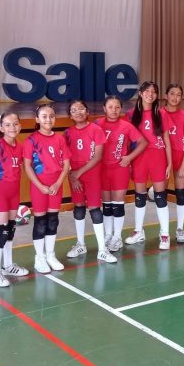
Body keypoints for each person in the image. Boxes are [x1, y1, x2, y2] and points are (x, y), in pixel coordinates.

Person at [64, 101, 115, 263]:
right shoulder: (67, 133)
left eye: (81, 109)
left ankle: (102, 249)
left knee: (94, 209)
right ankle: (81, 244)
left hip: (91, 174)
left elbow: (98, 156)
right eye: (74, 110)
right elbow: (64, 158)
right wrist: (73, 176)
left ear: (87, 112)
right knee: (79, 208)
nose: (78, 112)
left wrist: (77, 174)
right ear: (70, 115)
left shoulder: (95, 129)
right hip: (75, 176)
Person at [125, 81, 173, 250]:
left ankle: (165, 234)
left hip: (157, 156)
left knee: (160, 196)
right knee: (140, 196)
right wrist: (128, 160)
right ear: (140, 93)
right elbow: (127, 140)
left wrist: (169, 163)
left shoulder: (161, 113)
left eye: (153, 91)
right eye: (147, 91)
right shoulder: (131, 114)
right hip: (139, 157)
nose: (150, 94)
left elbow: (166, 139)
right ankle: (138, 231)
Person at [23, 104, 71, 274]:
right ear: (37, 119)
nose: (48, 119)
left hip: (56, 185)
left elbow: (66, 165)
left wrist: (58, 183)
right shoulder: (31, 140)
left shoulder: (60, 139)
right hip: (39, 187)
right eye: (44, 116)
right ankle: (40, 257)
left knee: (52, 220)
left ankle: (50, 255)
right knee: (40, 221)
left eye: (51, 116)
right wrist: (40, 186)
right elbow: (27, 166)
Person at [0, 111, 29, 287]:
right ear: (1, 128)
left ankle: (8, 266)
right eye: (8, 125)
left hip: (14, 193)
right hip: (1, 192)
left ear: (20, 126)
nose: (12, 127)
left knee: (10, 229)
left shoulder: (21, 146)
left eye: (15, 124)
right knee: (2, 230)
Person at [96, 96, 147, 252]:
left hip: (119, 169)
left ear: (121, 109)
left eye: (117, 107)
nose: (114, 110)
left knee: (117, 204)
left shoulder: (126, 126)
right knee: (107, 205)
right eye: (110, 107)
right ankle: (108, 235)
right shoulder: (97, 124)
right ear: (104, 108)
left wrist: (129, 157)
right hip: (102, 169)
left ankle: (117, 237)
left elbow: (143, 142)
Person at [162, 84, 184, 243]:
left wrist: (183, 164)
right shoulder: (159, 113)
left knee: (180, 193)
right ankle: (164, 230)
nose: (175, 97)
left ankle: (180, 228)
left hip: (180, 156)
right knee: (162, 194)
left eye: (178, 94)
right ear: (166, 95)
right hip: (162, 156)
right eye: (172, 93)